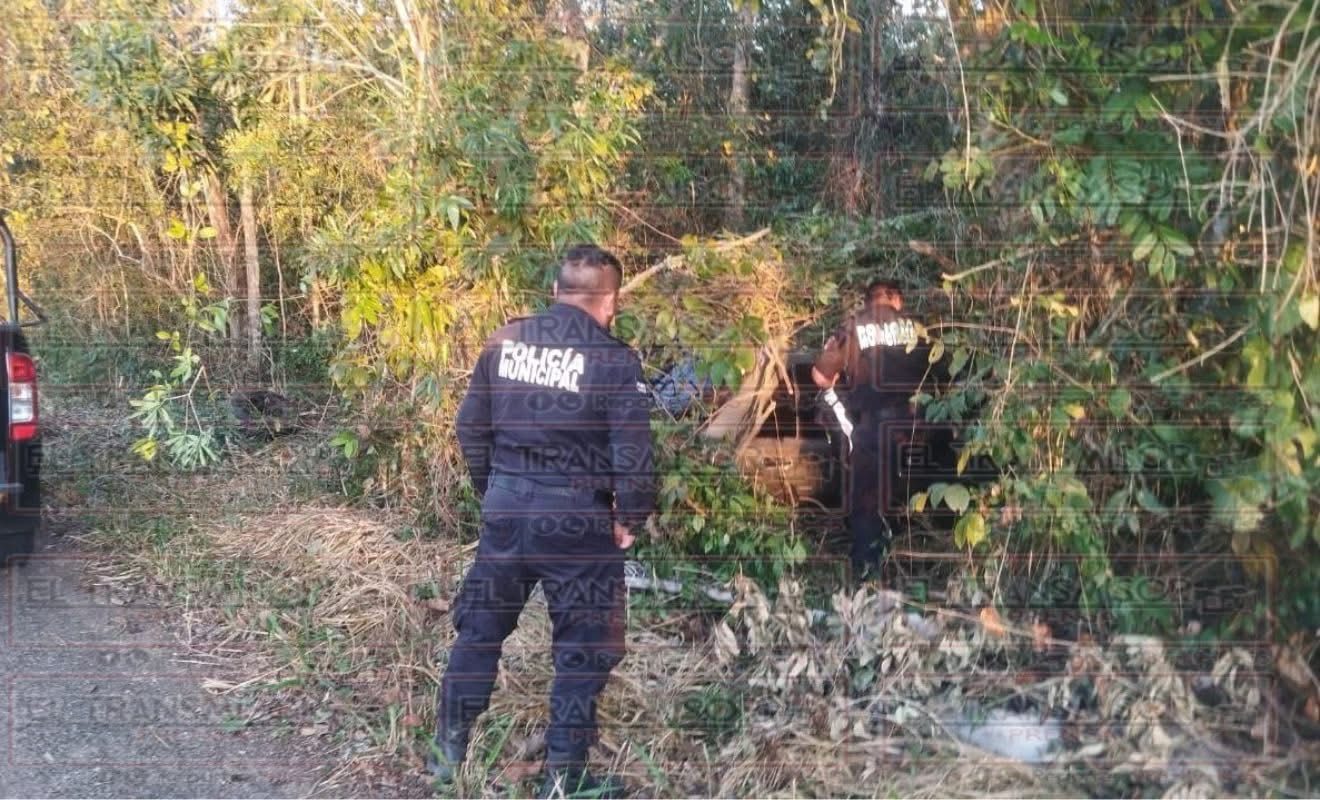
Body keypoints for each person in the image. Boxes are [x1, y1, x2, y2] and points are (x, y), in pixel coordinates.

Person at [430, 244, 656, 799]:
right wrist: (630, 516)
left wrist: (494, 490)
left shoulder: (505, 340)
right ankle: (563, 778)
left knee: (480, 628)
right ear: (611, 303)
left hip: (507, 505)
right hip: (576, 518)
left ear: (555, 291)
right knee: (584, 648)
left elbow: (470, 426)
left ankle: (447, 754)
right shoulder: (613, 361)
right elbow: (633, 454)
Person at [811, 279, 931, 582]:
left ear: (867, 301)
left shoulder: (852, 327)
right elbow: (943, 373)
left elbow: (820, 378)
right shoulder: (919, 327)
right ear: (896, 299)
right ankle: (921, 564)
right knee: (913, 490)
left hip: (874, 426)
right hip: (918, 425)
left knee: (866, 497)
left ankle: (868, 575)